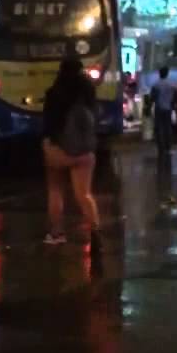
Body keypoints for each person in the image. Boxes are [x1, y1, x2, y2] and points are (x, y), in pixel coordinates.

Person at [40, 58, 101, 246]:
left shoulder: (54, 93)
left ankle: (57, 234)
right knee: (84, 194)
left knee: (56, 190)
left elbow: (48, 124)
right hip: (84, 151)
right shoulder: (88, 93)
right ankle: (95, 232)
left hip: (58, 148)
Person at [149, 66, 177, 161]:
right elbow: (174, 98)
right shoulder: (171, 85)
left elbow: (152, 98)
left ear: (159, 74)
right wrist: (173, 106)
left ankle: (161, 148)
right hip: (168, 109)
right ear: (167, 74)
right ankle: (168, 147)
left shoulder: (156, 85)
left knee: (159, 128)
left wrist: (149, 107)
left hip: (159, 108)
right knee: (168, 128)